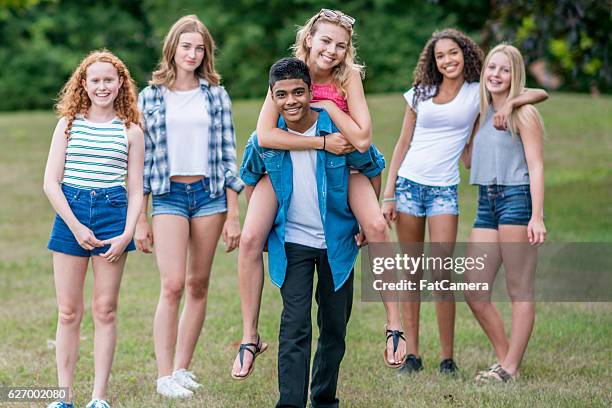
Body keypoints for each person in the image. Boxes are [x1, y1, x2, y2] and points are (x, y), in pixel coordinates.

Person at [231, 8, 405, 380]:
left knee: (375, 225)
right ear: (309, 37)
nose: (332, 50)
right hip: (287, 164)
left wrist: (326, 105)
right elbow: (264, 136)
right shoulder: (289, 72)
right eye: (326, 40)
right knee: (248, 238)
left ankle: (394, 325)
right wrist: (322, 142)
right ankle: (249, 337)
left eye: (341, 45)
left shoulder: (348, 77)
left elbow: (361, 138)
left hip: (344, 167)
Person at [381, 28, 548, 374]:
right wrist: (389, 191)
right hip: (425, 188)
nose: (447, 60)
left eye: (453, 53)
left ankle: (453, 359)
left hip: (462, 192)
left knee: (446, 276)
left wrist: (516, 101)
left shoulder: (480, 95)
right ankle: (417, 355)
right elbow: (403, 143)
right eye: (440, 56)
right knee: (421, 275)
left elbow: (535, 91)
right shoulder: (437, 95)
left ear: (466, 54)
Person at [240, 56, 385, 408]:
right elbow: (250, 179)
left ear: (311, 92)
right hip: (294, 243)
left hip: (336, 242)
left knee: (334, 329)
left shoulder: (337, 132)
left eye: (298, 92)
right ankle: (289, 403)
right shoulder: (265, 139)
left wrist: (364, 222)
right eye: (282, 95)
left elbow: (372, 166)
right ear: (272, 97)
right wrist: (266, 224)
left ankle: (323, 398)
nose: (291, 101)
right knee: (295, 327)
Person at [134, 15, 243, 398]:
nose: (193, 54)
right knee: (173, 284)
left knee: (198, 284)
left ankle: (181, 369)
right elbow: (142, 162)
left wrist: (233, 214)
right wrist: (140, 220)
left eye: (200, 48)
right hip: (168, 196)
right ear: (173, 49)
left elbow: (230, 157)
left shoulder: (216, 95)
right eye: (186, 47)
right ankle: (164, 375)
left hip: (210, 195)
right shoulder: (149, 97)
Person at [44, 50, 144, 408]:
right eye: (95, 80)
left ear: (120, 84)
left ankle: (98, 397)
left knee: (105, 309)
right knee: (68, 311)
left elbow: (135, 190)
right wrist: (75, 226)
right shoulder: (68, 124)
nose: (102, 86)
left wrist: (128, 232)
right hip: (71, 214)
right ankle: (63, 397)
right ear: (84, 85)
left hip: (112, 217)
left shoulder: (131, 131)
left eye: (109, 80)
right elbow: (51, 183)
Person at [463, 44, 546, 383]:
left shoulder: (523, 114)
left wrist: (537, 215)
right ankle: (505, 359)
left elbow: (536, 166)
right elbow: (468, 161)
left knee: (518, 289)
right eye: (491, 68)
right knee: (474, 289)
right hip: (486, 201)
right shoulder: (481, 114)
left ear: (515, 76)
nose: (495, 74)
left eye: (504, 69)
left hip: (516, 199)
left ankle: (509, 368)